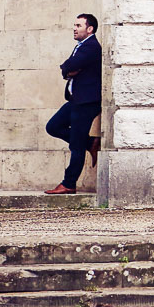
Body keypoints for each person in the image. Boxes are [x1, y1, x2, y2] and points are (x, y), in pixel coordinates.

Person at [44, 13, 101, 195]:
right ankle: (91, 142)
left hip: (86, 102)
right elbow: (66, 67)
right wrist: (68, 70)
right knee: (53, 126)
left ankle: (69, 183)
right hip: (76, 100)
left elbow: (70, 65)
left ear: (89, 29)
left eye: (78, 25)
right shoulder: (81, 46)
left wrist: (69, 69)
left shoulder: (91, 47)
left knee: (75, 145)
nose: (74, 29)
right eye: (74, 25)